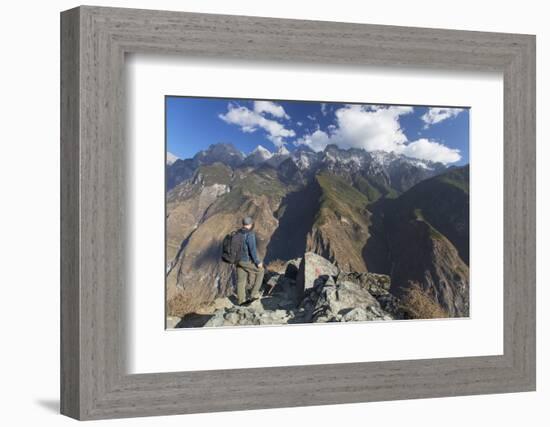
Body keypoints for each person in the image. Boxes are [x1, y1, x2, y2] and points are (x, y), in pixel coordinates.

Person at [236, 216, 265, 305]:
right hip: (245, 260)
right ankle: (253, 294)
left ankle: (241, 301)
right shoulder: (249, 234)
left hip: (237, 260)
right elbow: (252, 250)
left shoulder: (237, 233)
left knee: (241, 280)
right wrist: (257, 262)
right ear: (250, 224)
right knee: (261, 271)